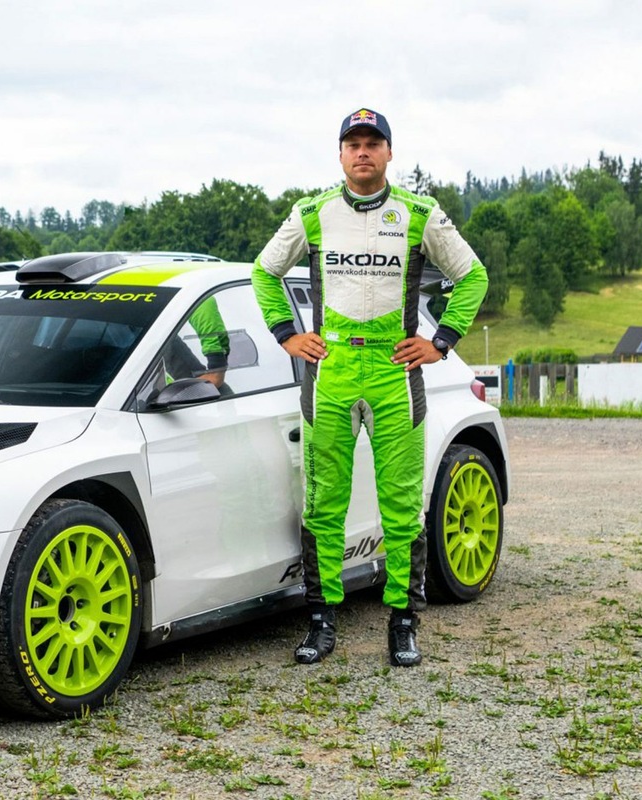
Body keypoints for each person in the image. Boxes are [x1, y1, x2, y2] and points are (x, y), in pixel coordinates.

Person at [252, 108, 488, 667]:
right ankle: (320, 619)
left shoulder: (420, 212)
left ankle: (403, 621)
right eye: (352, 143)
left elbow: (472, 275)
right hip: (330, 372)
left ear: (388, 153)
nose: (363, 152)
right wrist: (289, 334)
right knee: (323, 501)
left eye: (373, 143)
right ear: (339, 154)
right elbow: (264, 271)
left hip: (395, 373)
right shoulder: (312, 213)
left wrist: (442, 341)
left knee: (402, 505)